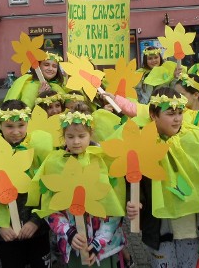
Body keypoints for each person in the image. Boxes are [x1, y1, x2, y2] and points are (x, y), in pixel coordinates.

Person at [124, 88, 199, 268]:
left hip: (190, 227)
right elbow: (133, 180)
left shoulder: (193, 138)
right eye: (170, 114)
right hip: (160, 230)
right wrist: (133, 202)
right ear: (154, 115)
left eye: (180, 113)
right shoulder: (142, 143)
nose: (177, 118)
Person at [29, 108, 126, 267]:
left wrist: (97, 243)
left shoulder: (102, 160)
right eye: (70, 136)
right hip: (74, 245)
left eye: (81, 136)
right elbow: (49, 207)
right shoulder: (54, 163)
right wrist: (69, 232)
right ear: (63, 136)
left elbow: (114, 208)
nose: (76, 142)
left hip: (105, 247)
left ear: (90, 134)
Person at [0, 100, 52, 268]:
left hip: (37, 230)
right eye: (9, 126)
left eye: (21, 125)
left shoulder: (39, 150)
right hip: (6, 233)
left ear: (28, 123)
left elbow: (49, 188)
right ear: (0, 125)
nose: (16, 132)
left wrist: (36, 221)